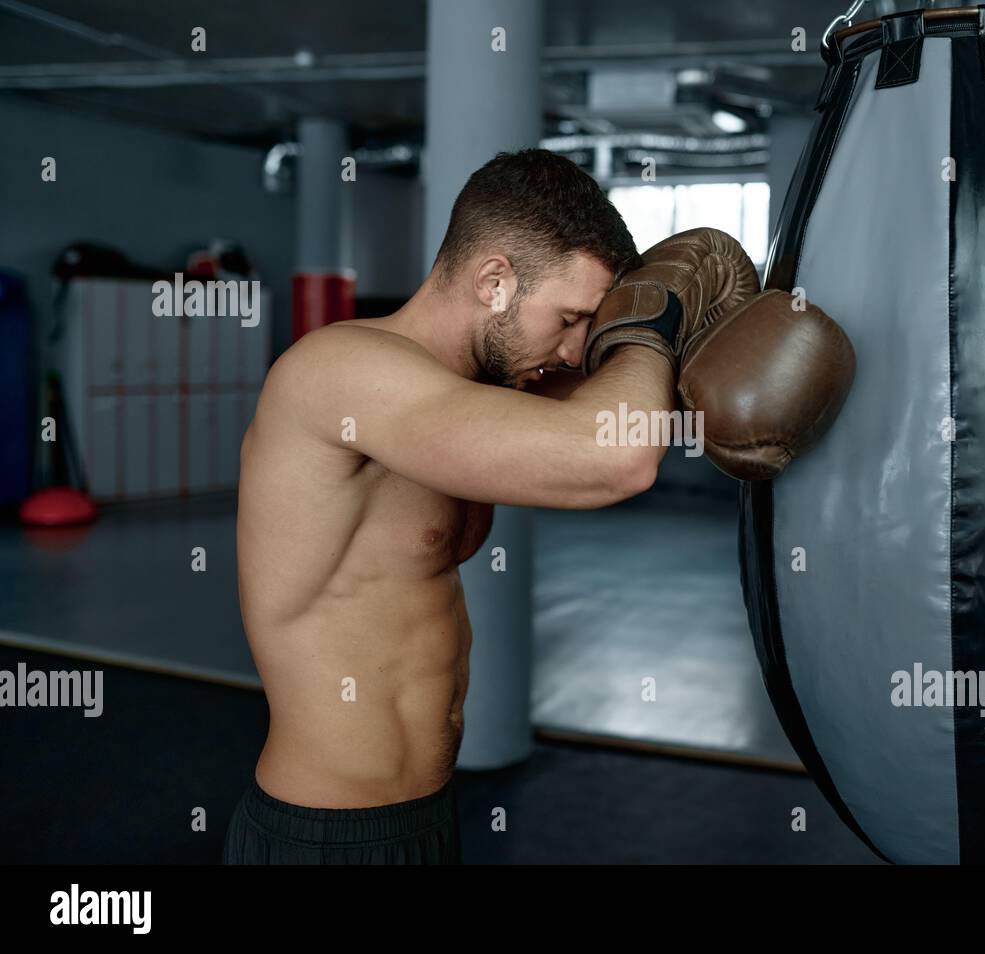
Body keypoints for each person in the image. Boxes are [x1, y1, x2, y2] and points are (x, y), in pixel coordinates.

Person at [224, 148, 852, 864]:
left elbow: (640, 413)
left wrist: (689, 344)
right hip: (325, 836)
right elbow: (616, 456)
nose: (578, 346)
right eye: (570, 317)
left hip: (424, 817)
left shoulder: (489, 386)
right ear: (494, 280)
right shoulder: (338, 372)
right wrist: (655, 318)